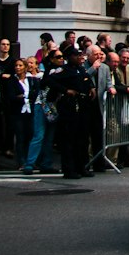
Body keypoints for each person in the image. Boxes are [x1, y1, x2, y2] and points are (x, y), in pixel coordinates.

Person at [55, 47, 96, 179]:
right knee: (69, 140)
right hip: (70, 106)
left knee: (82, 139)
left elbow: (86, 79)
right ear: (69, 57)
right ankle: (69, 169)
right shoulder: (64, 70)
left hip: (83, 105)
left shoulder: (81, 69)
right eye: (76, 56)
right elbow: (49, 81)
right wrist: (66, 90)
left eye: (80, 55)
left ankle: (82, 167)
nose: (79, 58)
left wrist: (91, 87)